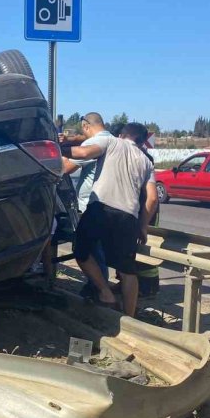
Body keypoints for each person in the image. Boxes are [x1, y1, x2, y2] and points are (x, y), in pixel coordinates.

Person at [73, 123, 157, 317]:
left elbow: (83, 153)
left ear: (121, 134)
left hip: (100, 208)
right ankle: (130, 316)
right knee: (127, 270)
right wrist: (143, 226)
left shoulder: (111, 142)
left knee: (81, 251)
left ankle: (105, 292)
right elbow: (152, 198)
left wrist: (54, 148)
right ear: (143, 141)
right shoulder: (147, 161)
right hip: (128, 217)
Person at [62, 113, 114, 299]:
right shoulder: (114, 142)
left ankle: (99, 289)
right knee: (101, 250)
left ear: (85, 127)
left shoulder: (91, 145)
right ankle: (102, 287)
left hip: (90, 205)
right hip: (114, 206)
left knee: (88, 250)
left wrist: (55, 150)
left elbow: (66, 168)